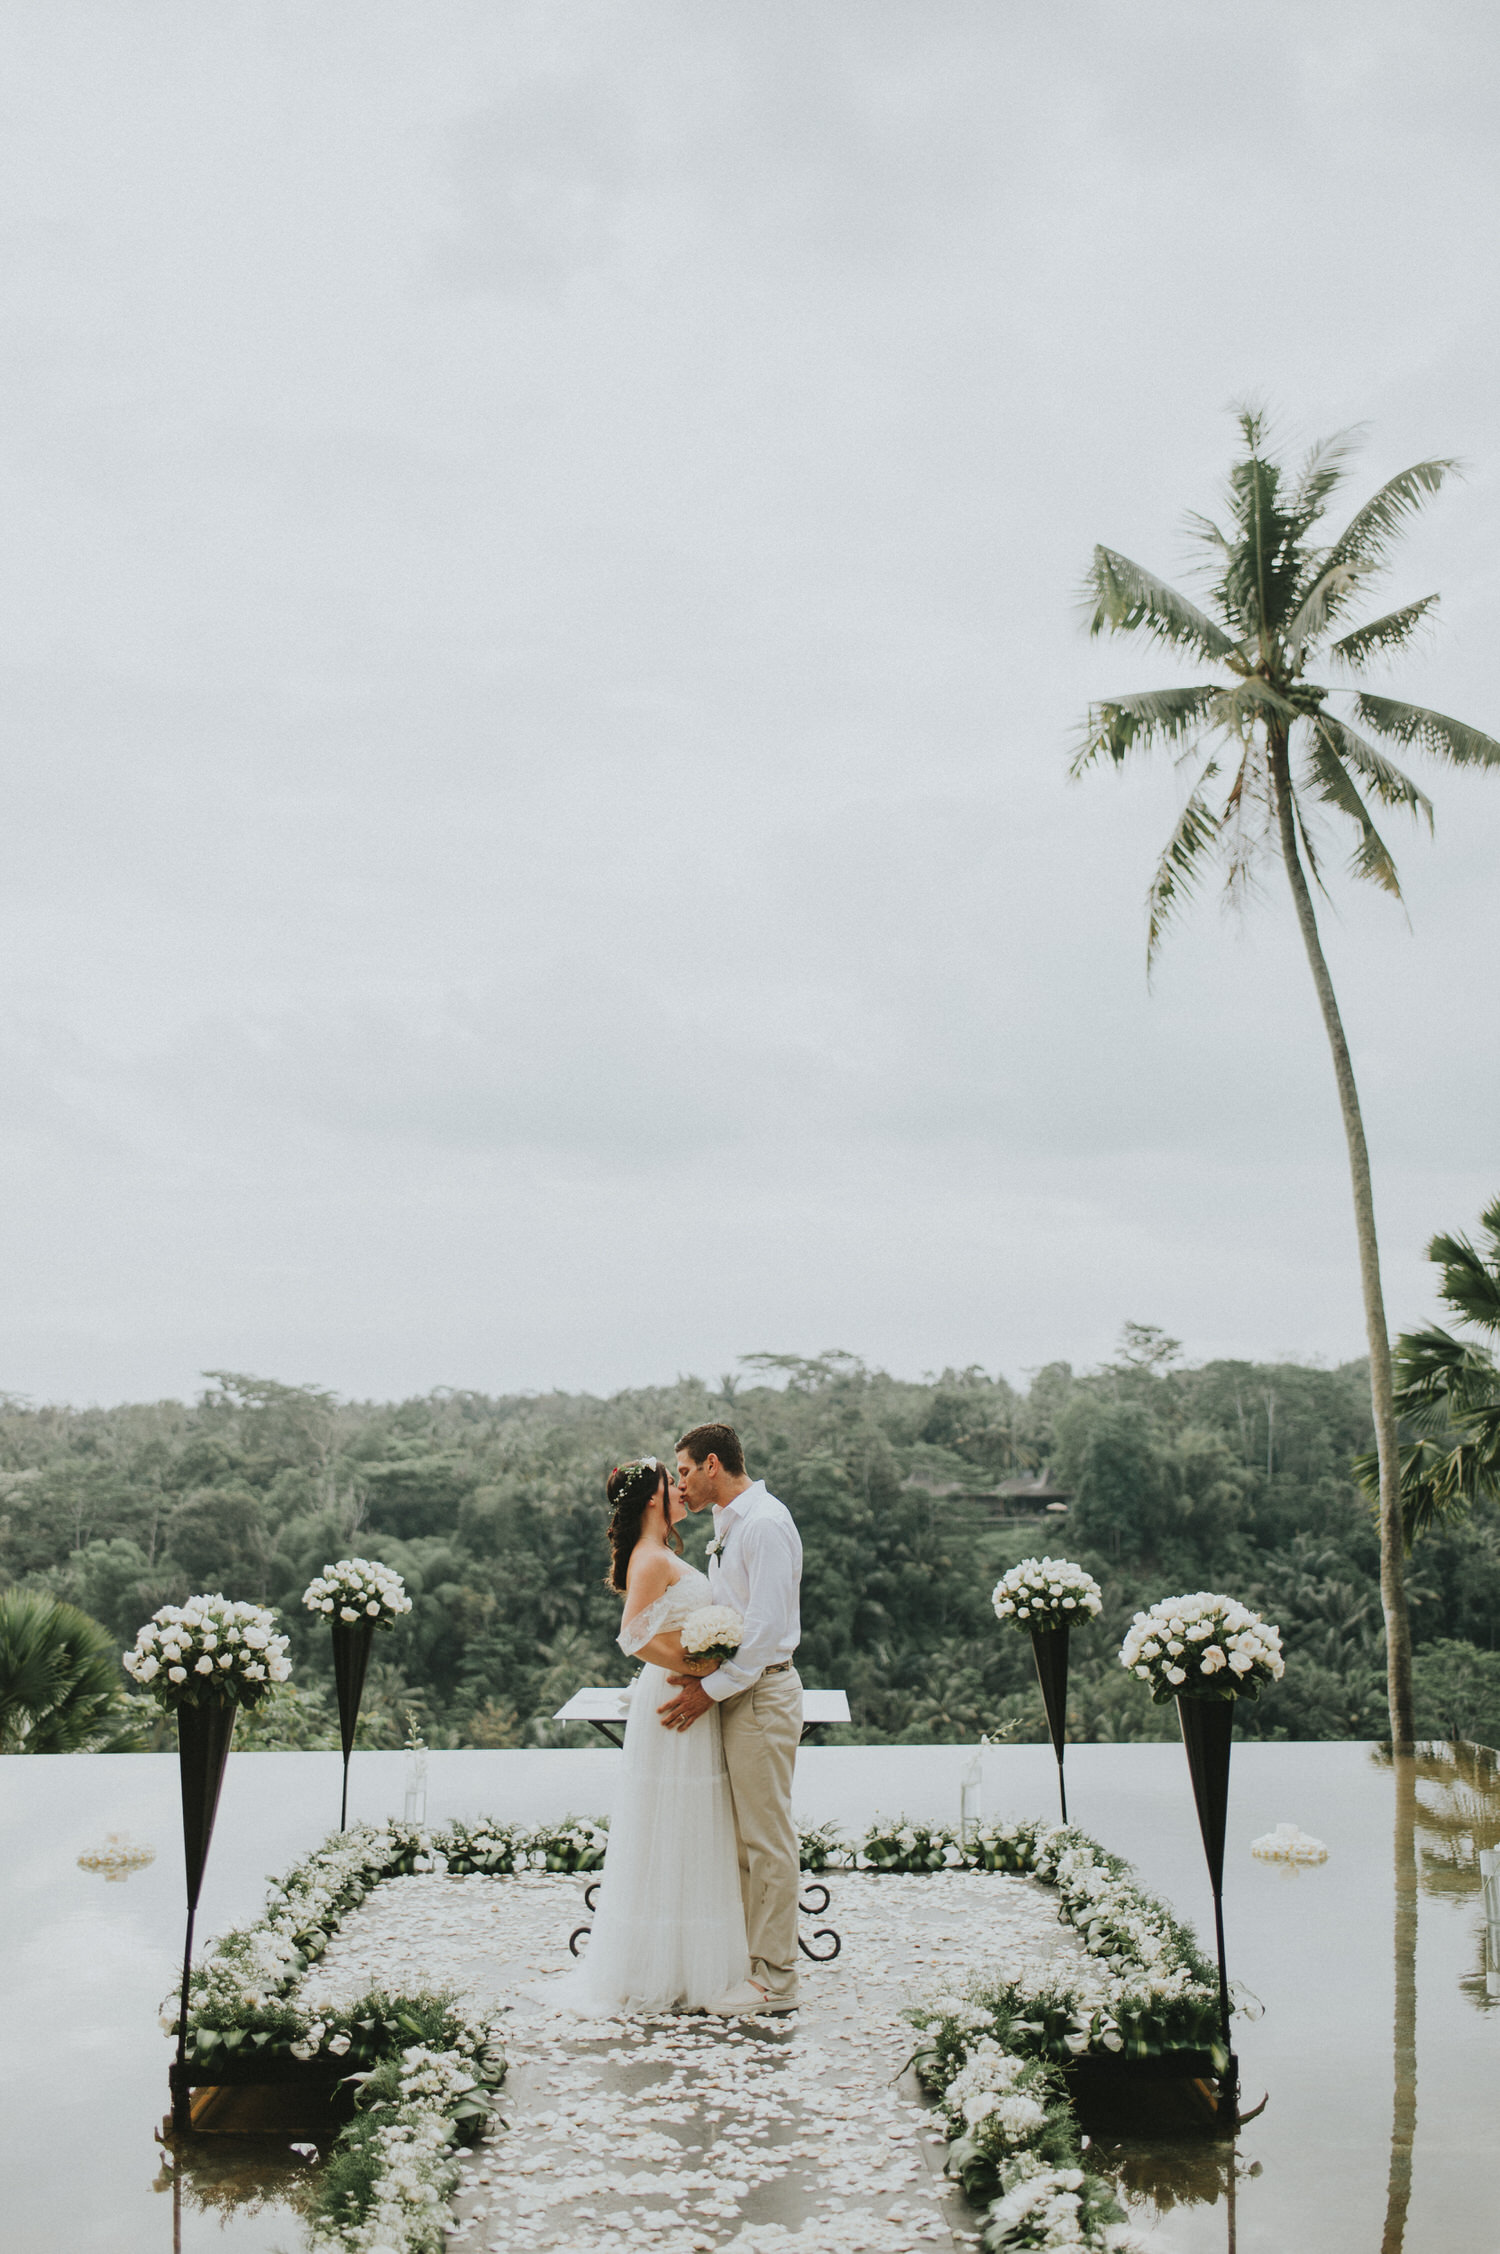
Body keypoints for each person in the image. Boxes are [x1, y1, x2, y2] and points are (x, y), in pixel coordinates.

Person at [529, 1456, 753, 2015]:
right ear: (652, 1497)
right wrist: (698, 1667)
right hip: (672, 1693)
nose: (680, 1488)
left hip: (682, 1690)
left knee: (691, 1819)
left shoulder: (665, 1553)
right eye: (670, 1482)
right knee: (671, 1816)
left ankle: (687, 1958)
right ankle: (660, 1967)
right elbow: (631, 1635)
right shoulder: (651, 1558)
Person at [660, 1422, 804, 2014]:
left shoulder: (765, 1524)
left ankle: (776, 1981)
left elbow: (767, 1629)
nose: (681, 1484)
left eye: (686, 1471)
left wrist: (708, 1690)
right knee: (743, 1841)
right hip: (737, 1691)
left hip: (762, 1693)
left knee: (768, 1839)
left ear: (713, 1464)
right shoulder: (731, 1524)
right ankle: (748, 1965)